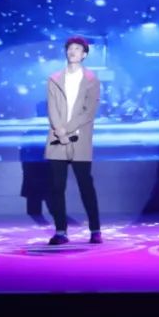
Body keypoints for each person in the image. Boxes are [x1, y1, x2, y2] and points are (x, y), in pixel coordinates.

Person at [44, 36, 103, 245]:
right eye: (70, 48)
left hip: (80, 139)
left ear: (84, 54)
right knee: (56, 187)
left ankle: (95, 230)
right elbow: (51, 108)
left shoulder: (91, 79)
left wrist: (66, 130)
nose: (73, 51)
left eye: (77, 48)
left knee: (86, 185)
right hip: (56, 139)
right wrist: (59, 131)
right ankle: (61, 231)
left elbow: (89, 111)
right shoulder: (54, 79)